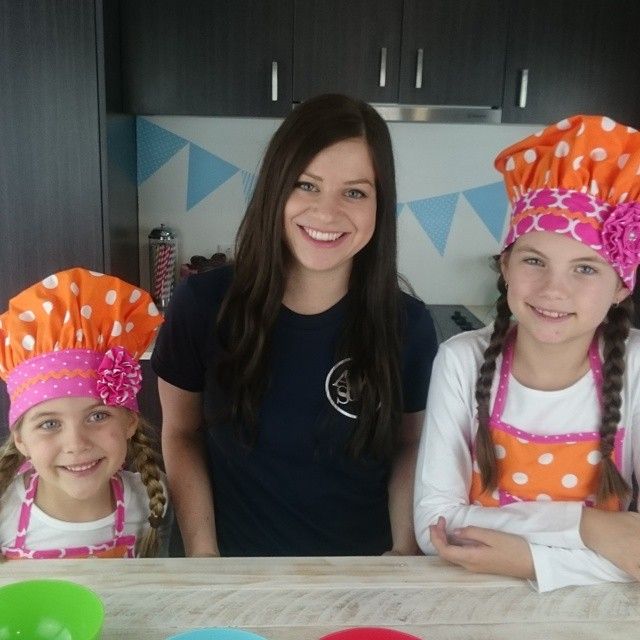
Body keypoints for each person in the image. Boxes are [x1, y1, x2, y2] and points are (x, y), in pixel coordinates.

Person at [152, 93, 438, 557]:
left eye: (355, 192)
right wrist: (204, 559)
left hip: (365, 574)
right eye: (306, 185)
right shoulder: (202, 305)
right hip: (233, 571)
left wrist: (404, 552)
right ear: (275, 189)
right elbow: (181, 433)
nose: (327, 213)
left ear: (379, 206)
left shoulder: (409, 326)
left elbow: (412, 443)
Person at [414, 114, 640, 591]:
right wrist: (588, 527)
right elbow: (435, 525)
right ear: (506, 266)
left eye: (585, 269)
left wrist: (529, 561)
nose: (553, 290)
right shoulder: (460, 361)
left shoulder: (637, 366)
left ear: (621, 286)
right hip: (468, 599)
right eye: (534, 260)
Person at [0, 268, 170, 559]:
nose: (76, 444)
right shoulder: (6, 511)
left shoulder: (149, 501)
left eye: (97, 416)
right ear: (21, 439)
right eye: (49, 423)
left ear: (129, 421)